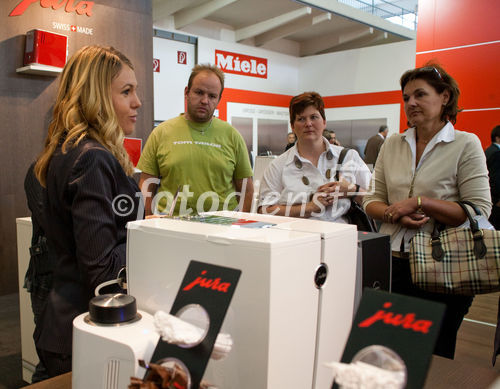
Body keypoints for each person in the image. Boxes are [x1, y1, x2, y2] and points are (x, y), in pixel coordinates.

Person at [363, 64, 491, 359]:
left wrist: (421, 203)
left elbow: (478, 209)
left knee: (434, 355)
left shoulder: (465, 144)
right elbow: (372, 199)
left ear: (445, 96)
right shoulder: (392, 143)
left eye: (420, 94)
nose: (411, 103)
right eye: (406, 97)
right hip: (392, 263)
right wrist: (396, 214)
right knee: (387, 349)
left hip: (445, 268)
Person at [32, 45, 143, 378]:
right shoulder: (92, 158)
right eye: (126, 92)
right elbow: (101, 274)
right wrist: (148, 238)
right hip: (84, 329)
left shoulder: (70, 150)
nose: (137, 102)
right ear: (96, 97)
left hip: (68, 324)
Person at [138, 64, 254, 216]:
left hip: (220, 229)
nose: (205, 100)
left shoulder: (232, 135)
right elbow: (146, 185)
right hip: (170, 226)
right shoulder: (161, 133)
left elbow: (247, 189)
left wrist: (241, 223)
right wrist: (146, 219)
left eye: (212, 96)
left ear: (219, 99)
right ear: (187, 92)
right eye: (199, 92)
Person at [258, 92, 371, 222]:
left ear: (324, 122)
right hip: (296, 239)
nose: (308, 123)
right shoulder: (278, 165)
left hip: (343, 238)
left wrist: (352, 190)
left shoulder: (349, 157)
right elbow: (264, 210)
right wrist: (310, 208)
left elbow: (374, 201)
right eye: (301, 119)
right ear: (293, 126)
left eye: (314, 117)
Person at [485, 125, 500, 229]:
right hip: (495, 202)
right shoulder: (496, 153)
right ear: (497, 138)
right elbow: (496, 179)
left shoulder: (489, 150)